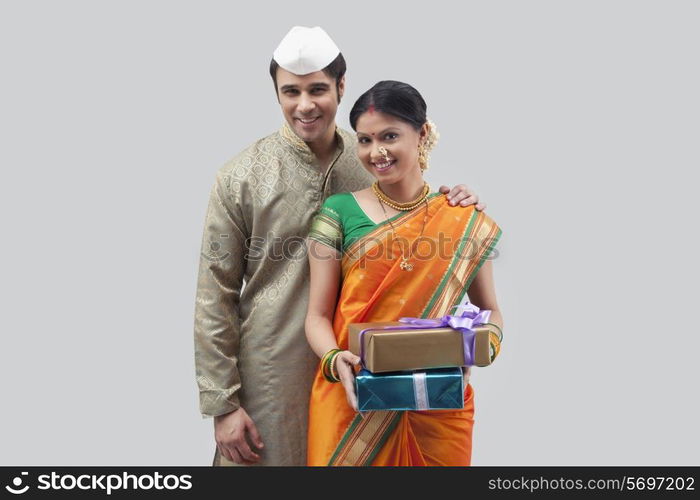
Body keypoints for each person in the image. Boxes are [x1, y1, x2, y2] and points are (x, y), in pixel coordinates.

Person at [194, 27, 485, 467]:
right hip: (271, 374)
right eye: (290, 91)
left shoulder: (370, 155)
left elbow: (417, 216)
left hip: (372, 370)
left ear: (341, 87)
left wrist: (457, 200)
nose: (304, 104)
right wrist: (222, 402)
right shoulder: (240, 177)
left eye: (317, 89)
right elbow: (213, 294)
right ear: (275, 93)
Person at [305, 80, 503, 466]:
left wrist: (478, 350)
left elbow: (491, 311)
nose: (376, 152)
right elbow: (316, 316)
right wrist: (334, 359)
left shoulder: (461, 218)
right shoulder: (338, 212)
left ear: (423, 133)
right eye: (364, 140)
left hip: (438, 404)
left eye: (389, 136)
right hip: (352, 400)